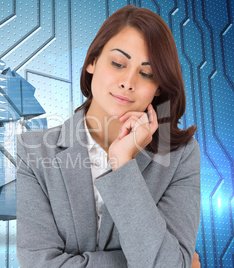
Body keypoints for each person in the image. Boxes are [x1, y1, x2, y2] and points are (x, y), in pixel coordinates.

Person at [16, 5, 201, 268]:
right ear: (92, 61)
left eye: (147, 73)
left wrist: (123, 164)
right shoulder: (33, 150)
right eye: (117, 63)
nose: (128, 81)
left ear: (158, 88)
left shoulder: (180, 156)